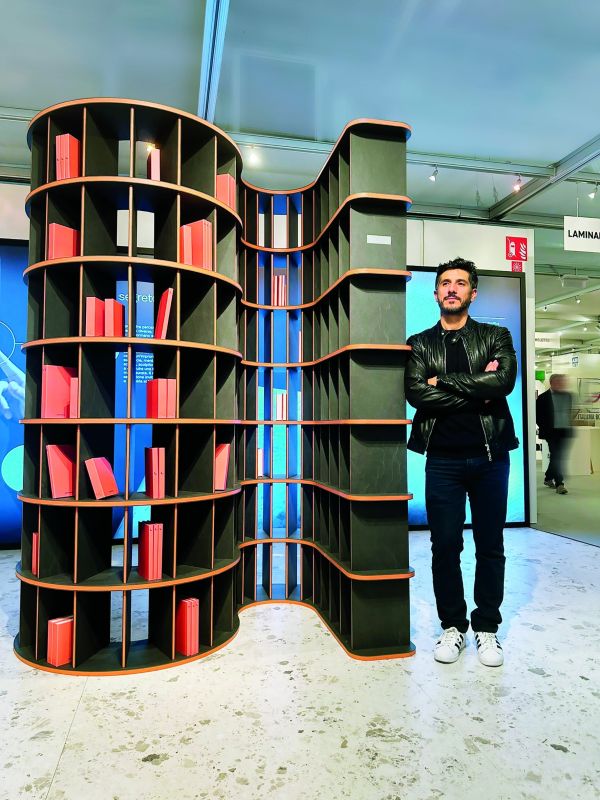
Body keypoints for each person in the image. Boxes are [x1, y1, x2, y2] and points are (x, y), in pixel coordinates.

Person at [405, 257, 518, 667]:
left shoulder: (495, 335)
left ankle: (487, 628)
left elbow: (503, 381)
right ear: (436, 292)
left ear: (473, 292)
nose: (452, 288)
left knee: (491, 545)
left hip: (491, 458)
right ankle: (452, 626)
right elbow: (416, 394)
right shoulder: (419, 343)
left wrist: (445, 382)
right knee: (445, 546)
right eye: (445, 283)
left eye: (460, 283)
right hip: (442, 461)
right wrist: (478, 390)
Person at [536, 374, 573, 495]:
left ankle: (548, 477)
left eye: (562, 382)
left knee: (557, 457)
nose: (561, 384)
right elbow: (538, 416)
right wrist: (546, 428)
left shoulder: (568, 396)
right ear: (551, 383)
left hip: (563, 431)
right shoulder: (542, 398)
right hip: (551, 433)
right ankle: (559, 484)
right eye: (558, 382)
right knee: (557, 457)